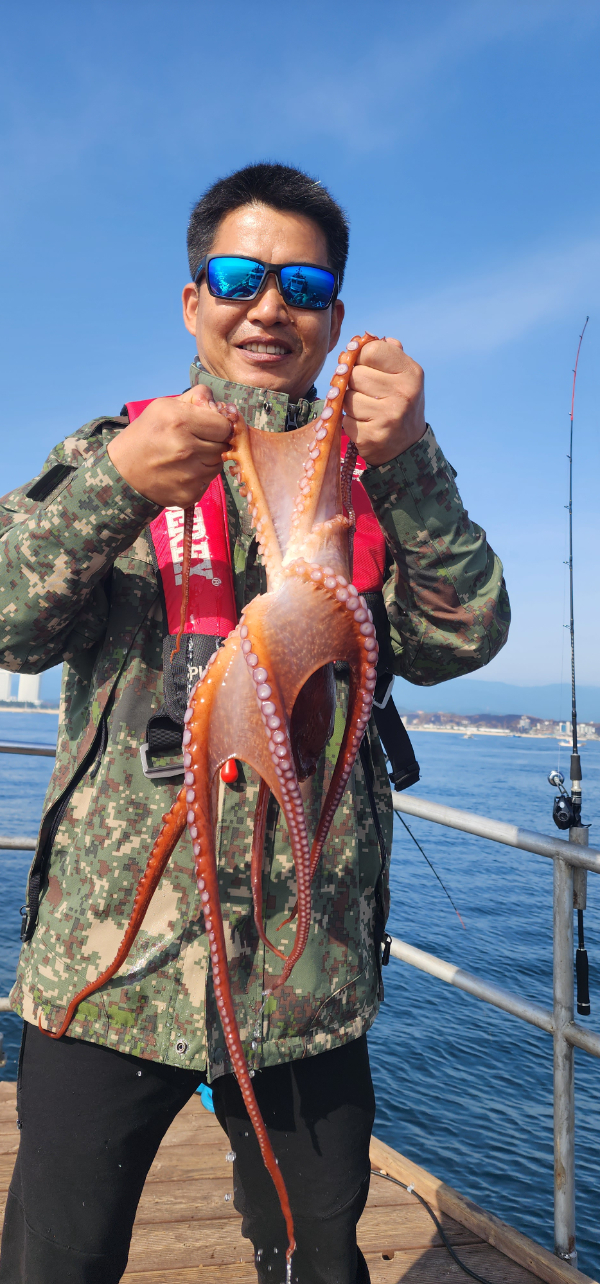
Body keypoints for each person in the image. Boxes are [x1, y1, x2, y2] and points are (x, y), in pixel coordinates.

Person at [0, 162, 510, 1284]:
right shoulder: (108, 453)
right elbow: (9, 625)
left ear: (333, 314)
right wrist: (115, 486)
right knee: (55, 1256)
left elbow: (464, 637)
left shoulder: (376, 484)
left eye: (303, 285)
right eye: (239, 278)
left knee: (318, 1256)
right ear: (194, 301)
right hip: (106, 971)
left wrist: (413, 458)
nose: (269, 306)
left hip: (304, 975)